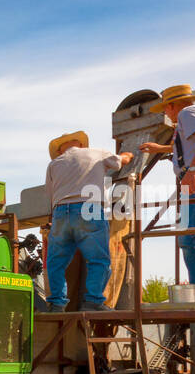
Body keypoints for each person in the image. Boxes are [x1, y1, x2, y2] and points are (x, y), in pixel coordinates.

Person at [139, 85, 195, 300]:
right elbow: (192, 142)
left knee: (193, 239)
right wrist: (160, 149)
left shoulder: (186, 113)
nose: (166, 114)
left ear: (171, 105)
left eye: (165, 109)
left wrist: (194, 169)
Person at [43, 131, 134, 312]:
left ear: (60, 150)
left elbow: (50, 194)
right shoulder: (96, 153)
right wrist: (128, 154)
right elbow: (120, 162)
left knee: (56, 262)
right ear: (81, 144)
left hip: (61, 211)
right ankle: (93, 301)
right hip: (89, 208)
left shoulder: (54, 164)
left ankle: (57, 303)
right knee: (98, 259)